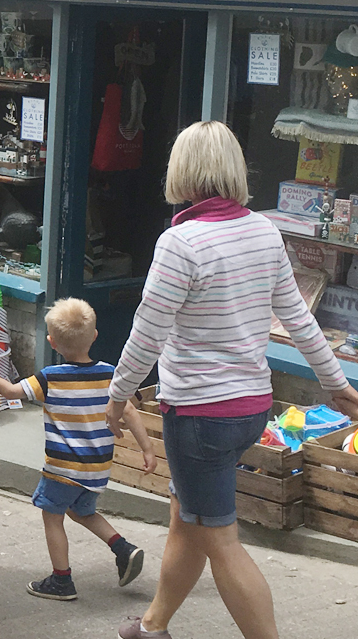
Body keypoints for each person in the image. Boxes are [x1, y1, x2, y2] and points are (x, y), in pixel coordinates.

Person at [106, 121, 358, 639]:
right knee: (187, 516)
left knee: (219, 538)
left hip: (199, 417)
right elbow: (299, 320)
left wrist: (117, 395)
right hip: (249, 408)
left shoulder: (180, 242)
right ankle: (153, 626)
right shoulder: (264, 231)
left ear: (183, 171)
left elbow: (146, 333)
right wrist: (337, 385)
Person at [0, 298, 155, 602]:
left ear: (52, 342)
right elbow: (131, 413)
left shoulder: (50, 377)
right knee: (81, 510)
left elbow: (9, 391)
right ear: (94, 336)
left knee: (52, 516)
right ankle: (123, 549)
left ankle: (61, 580)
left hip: (63, 469)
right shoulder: (111, 374)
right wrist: (147, 448)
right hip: (97, 468)